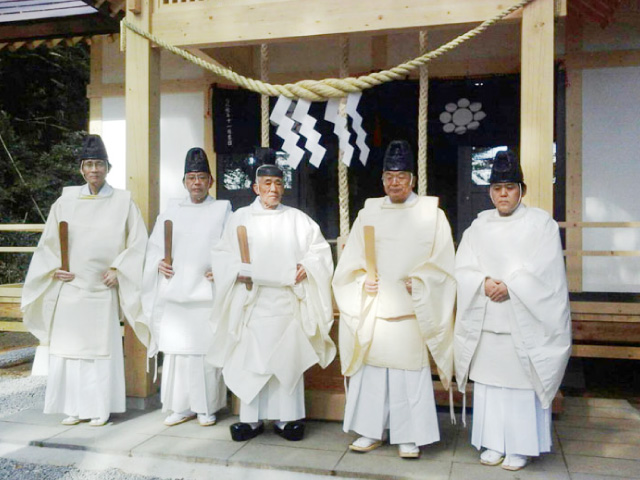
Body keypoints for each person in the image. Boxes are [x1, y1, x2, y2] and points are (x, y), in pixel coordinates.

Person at [332, 140, 456, 459]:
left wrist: (424, 282)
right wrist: (362, 281)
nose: (395, 182)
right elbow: (351, 262)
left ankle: (409, 435)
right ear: (382, 179)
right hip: (375, 308)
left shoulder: (432, 213)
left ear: (412, 179)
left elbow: (445, 264)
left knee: (407, 377)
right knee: (371, 373)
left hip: (412, 310)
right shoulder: (369, 211)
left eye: (401, 176)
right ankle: (371, 431)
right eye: (389, 175)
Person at [453, 150, 571, 471]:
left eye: (510, 187)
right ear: (490, 191)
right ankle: (492, 443)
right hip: (488, 320)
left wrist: (512, 285)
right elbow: (463, 267)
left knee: (520, 386)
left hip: (522, 320)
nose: (503, 194)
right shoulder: (478, 226)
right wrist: (482, 282)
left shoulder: (540, 224)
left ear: (522, 190)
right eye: (497, 188)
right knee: (491, 386)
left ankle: (520, 446)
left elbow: (545, 271)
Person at [208, 147, 335, 442]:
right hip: (252, 303)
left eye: (278, 184)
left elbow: (319, 251)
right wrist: (234, 270)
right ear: (255, 187)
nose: (273, 189)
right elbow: (222, 254)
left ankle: (287, 419)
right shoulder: (240, 218)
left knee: (286, 360)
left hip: (286, 304)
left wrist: (308, 266)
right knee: (251, 361)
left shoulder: (298, 220)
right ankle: (251, 421)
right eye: (267, 184)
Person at [21, 134, 149, 426]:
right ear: (81, 168)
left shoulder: (123, 201)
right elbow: (48, 246)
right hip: (71, 287)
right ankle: (74, 408)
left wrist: (118, 269)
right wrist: (54, 269)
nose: (94, 170)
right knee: (70, 352)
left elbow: (139, 243)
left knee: (98, 353)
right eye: (89, 164)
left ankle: (100, 409)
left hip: (101, 289)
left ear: (108, 167)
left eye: (100, 164)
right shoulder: (65, 202)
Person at [142, 147, 231, 427]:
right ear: (184, 182)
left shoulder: (222, 209)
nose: (196, 183)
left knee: (204, 354)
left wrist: (221, 268)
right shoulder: (170, 211)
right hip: (176, 292)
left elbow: (231, 249)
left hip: (205, 294)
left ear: (210, 182)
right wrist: (158, 263)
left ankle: (206, 408)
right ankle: (179, 406)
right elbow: (154, 247)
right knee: (178, 353)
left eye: (202, 177)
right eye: (191, 177)